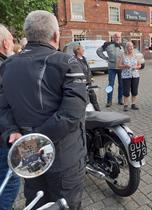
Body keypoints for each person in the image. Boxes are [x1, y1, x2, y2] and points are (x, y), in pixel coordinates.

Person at [0, 11, 87, 210]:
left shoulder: (7, 65)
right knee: (66, 205)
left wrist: (12, 131)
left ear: (28, 34)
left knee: (35, 202)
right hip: (63, 160)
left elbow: (2, 107)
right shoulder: (69, 63)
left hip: (29, 157)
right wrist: (31, 137)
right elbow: (71, 115)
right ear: (55, 36)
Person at [0, 24, 20, 210]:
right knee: (10, 183)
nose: (14, 43)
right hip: (4, 137)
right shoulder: (6, 67)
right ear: (6, 43)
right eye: (12, 40)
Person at [97, 32, 124, 107]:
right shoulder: (107, 44)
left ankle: (120, 100)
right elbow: (98, 51)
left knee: (121, 84)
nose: (117, 38)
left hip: (120, 67)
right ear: (113, 37)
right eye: (116, 37)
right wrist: (105, 58)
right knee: (110, 85)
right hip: (111, 67)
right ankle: (109, 101)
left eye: (119, 37)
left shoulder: (122, 46)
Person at [73, 45, 100, 111]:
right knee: (84, 99)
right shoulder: (74, 60)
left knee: (93, 97)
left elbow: (88, 69)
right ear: (77, 50)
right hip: (81, 83)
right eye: (82, 49)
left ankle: (98, 112)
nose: (83, 50)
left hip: (88, 82)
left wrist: (91, 77)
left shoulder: (84, 58)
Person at [117, 42, 141, 111]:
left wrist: (136, 67)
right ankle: (125, 105)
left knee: (134, 90)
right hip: (126, 76)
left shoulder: (136, 55)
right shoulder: (123, 55)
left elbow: (139, 65)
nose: (130, 48)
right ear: (126, 48)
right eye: (128, 46)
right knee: (126, 91)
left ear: (133, 47)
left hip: (135, 75)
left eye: (131, 46)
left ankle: (133, 104)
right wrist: (125, 66)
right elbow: (118, 65)